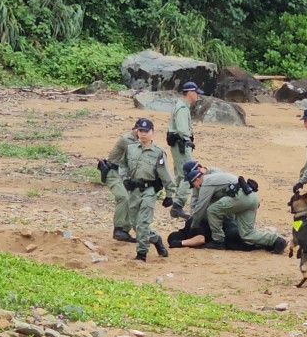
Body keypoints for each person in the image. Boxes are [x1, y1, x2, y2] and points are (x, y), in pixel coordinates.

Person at [186, 167, 286, 253]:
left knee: (212, 210)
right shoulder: (216, 175)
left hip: (241, 197)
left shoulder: (206, 183)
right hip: (252, 196)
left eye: (193, 184)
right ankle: (276, 241)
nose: (194, 187)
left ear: (197, 179)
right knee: (247, 233)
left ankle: (218, 241)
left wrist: (193, 226)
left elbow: (200, 207)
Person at [118, 118, 173, 261]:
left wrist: (169, 194)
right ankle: (155, 239)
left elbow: (165, 174)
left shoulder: (158, 152)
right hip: (133, 190)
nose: (143, 134)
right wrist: (124, 179)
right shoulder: (130, 149)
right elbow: (122, 165)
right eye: (140, 131)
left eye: (146, 131)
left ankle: (141, 254)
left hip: (149, 191)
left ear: (152, 133)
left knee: (143, 223)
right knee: (136, 224)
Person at [166, 81, 203, 219]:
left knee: (181, 174)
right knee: (189, 175)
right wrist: (188, 141)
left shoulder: (182, 106)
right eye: (196, 92)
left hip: (178, 144)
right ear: (190, 92)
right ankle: (178, 205)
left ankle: (176, 201)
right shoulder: (182, 108)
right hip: (181, 144)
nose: (198, 95)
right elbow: (182, 129)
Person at [100, 123, 140, 242]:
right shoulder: (126, 140)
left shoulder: (135, 141)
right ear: (135, 129)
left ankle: (124, 231)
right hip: (113, 173)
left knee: (131, 199)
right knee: (123, 198)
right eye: (141, 130)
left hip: (123, 175)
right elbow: (138, 151)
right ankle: (118, 229)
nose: (143, 133)